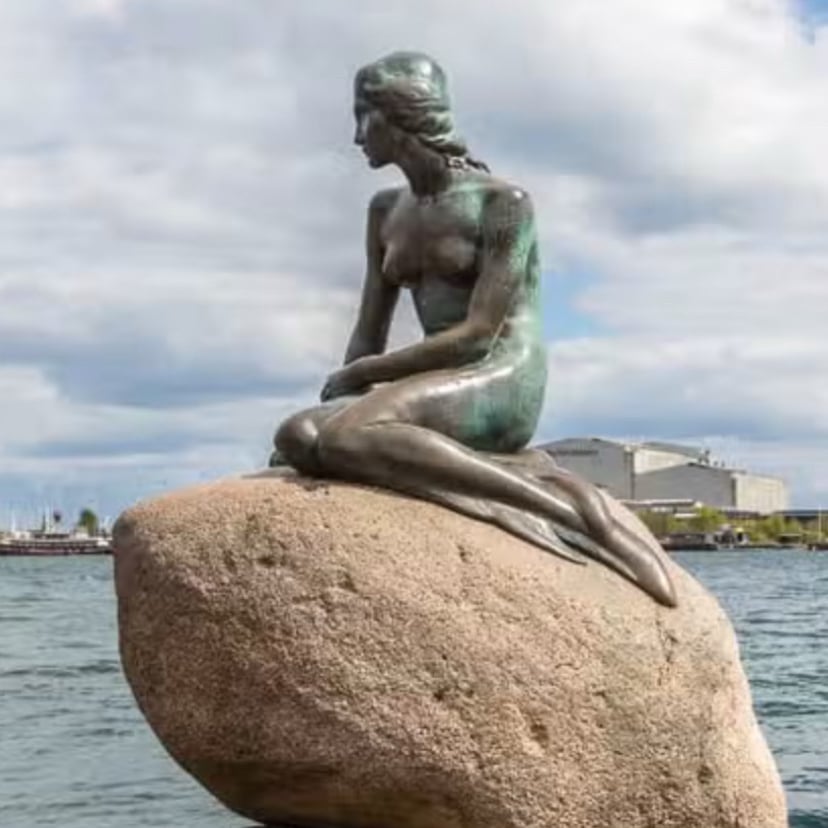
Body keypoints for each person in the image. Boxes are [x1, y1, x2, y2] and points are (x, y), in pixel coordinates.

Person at [272, 51, 676, 607]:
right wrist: (350, 390)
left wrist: (365, 377)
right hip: (432, 385)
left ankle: (575, 514)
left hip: (499, 374)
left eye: (363, 116)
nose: (357, 135)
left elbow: (479, 334)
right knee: (298, 436)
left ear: (398, 117)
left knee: (346, 437)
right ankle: (493, 470)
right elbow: (370, 329)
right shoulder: (384, 210)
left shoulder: (503, 204)